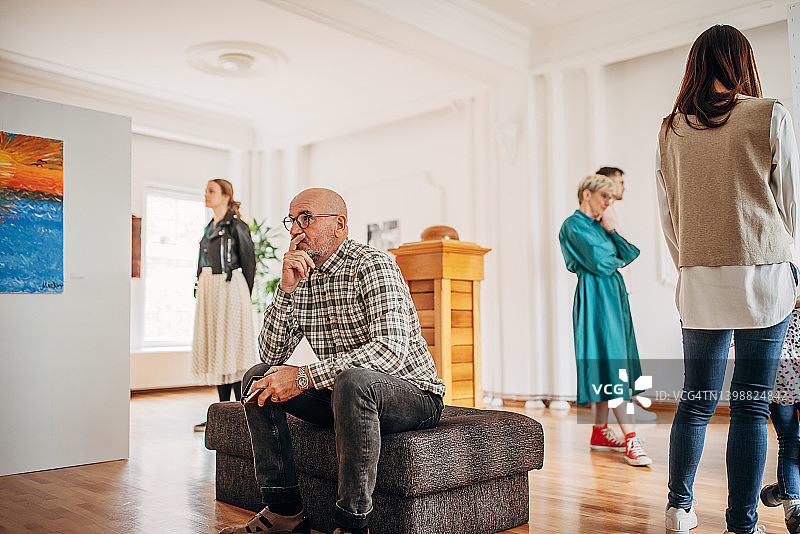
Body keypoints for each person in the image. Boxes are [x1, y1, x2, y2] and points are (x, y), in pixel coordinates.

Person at [219, 188, 445, 534]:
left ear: (339, 225)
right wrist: (286, 289)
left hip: (412, 395)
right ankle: (285, 514)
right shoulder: (302, 276)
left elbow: (390, 351)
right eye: (292, 220)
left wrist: (303, 377)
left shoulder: (373, 264)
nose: (295, 229)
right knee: (256, 379)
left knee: (354, 380)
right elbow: (271, 354)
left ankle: (352, 525)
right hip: (345, 393)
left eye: (306, 218)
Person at [657, 25, 799, 534]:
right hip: (763, 275)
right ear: (743, 61)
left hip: (700, 280)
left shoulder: (671, 128)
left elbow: (669, 214)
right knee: (751, 403)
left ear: (696, 64)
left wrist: (690, 262)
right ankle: (741, 523)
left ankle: (679, 508)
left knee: (696, 400)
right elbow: (789, 206)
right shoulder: (769, 115)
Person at [558, 174, 652, 467]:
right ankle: (631, 436)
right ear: (587, 194)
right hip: (595, 296)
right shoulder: (572, 225)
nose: (609, 203)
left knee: (609, 359)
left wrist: (611, 230)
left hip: (613, 296)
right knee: (611, 363)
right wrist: (613, 251)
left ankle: (600, 432)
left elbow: (630, 254)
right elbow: (600, 262)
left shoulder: (601, 226)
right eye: (605, 197)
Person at [192, 178, 257, 432]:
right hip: (210, 288)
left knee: (233, 348)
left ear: (226, 195)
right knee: (218, 347)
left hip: (230, 288)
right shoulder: (210, 226)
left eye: (211, 191)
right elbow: (202, 260)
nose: (206, 195)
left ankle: (240, 413)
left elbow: (249, 262)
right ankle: (222, 415)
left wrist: (244, 297)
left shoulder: (237, 225)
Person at [759, 301, 800, 534]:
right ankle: (793, 507)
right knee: (789, 441)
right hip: (780, 381)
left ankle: (779, 492)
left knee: (792, 443)